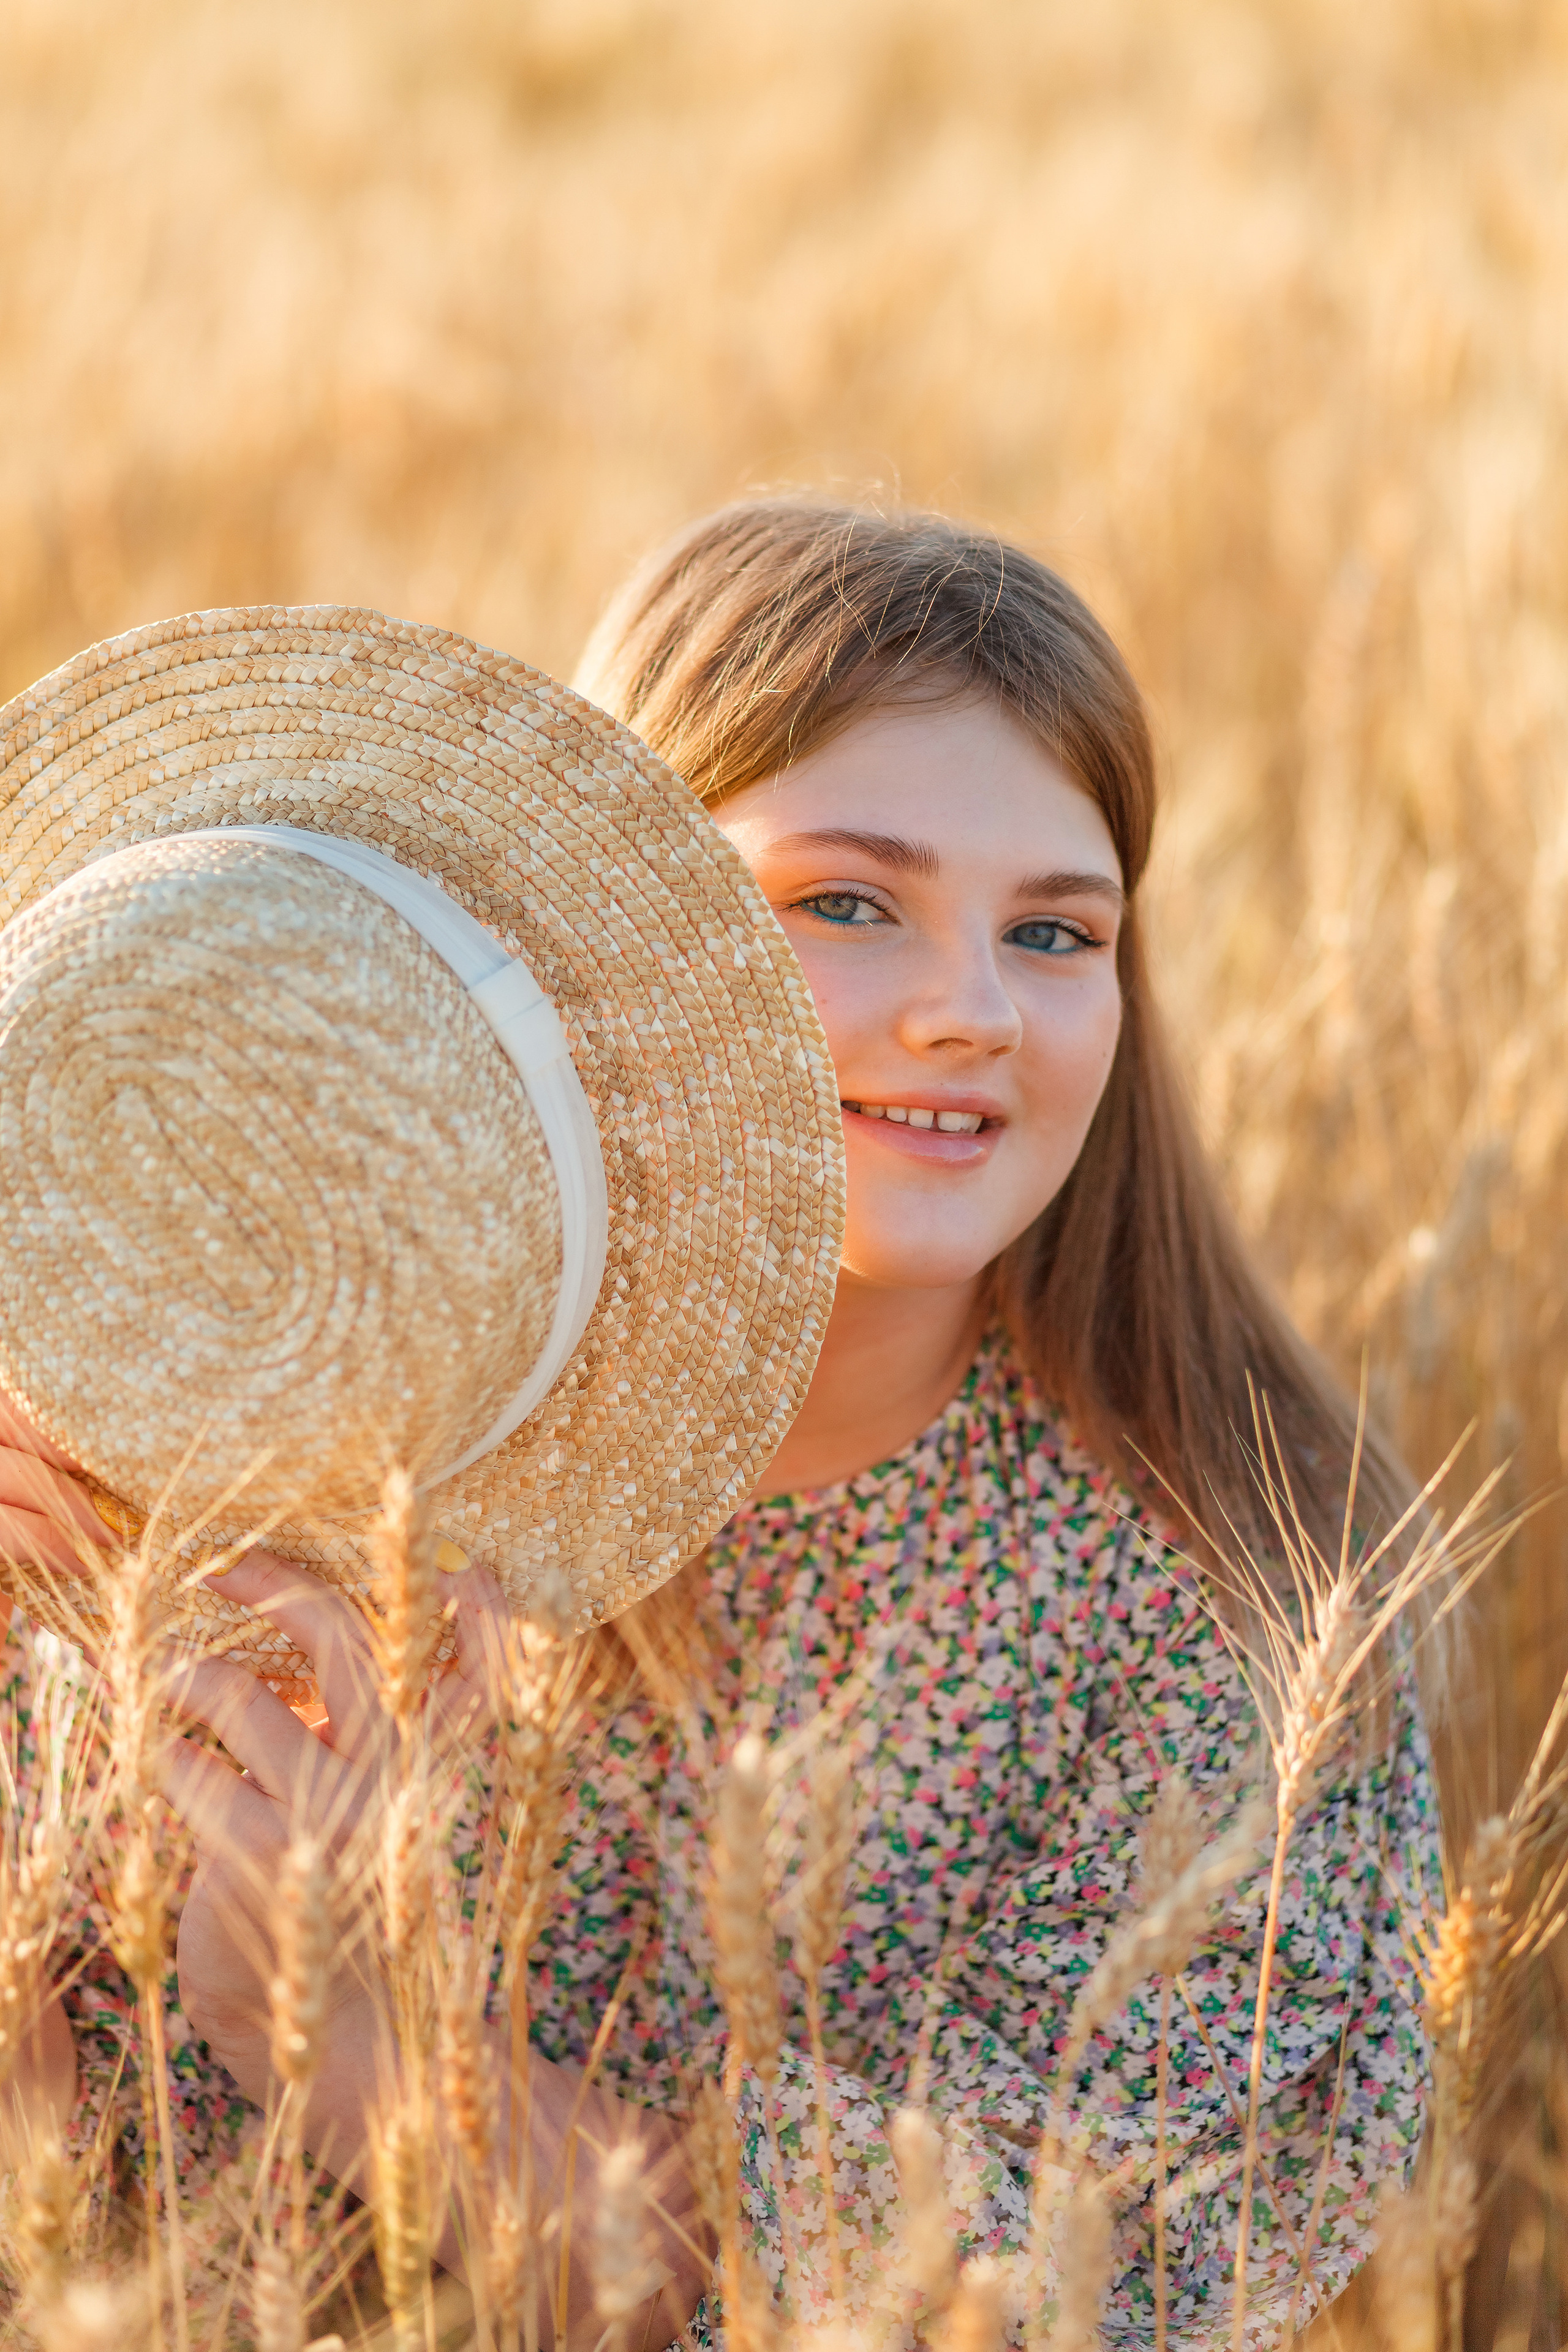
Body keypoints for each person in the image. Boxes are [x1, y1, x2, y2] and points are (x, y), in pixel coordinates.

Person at [0, 503, 1439, 2348]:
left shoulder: (1224, 1617)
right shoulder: (213, 1460)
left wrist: (370, 2043)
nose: (974, 1011)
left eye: (1059, 932)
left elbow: (1007, 2311)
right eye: (849, 901)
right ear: (622, 944)